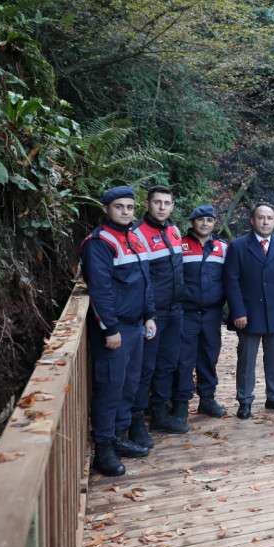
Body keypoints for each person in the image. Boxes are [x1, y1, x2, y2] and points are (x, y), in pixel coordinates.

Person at [80, 186, 156, 476]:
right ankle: (104, 449)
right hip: (116, 329)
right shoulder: (98, 243)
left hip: (136, 325)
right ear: (106, 209)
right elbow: (100, 290)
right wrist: (110, 328)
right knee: (110, 386)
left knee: (129, 384)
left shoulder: (134, 237)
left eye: (129, 207)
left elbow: (145, 281)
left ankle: (120, 436)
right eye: (119, 206)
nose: (125, 211)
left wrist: (149, 315)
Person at [224, 201, 274, 419]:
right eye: (261, 217)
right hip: (249, 314)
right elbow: (231, 281)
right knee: (247, 360)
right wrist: (238, 311)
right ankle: (245, 400)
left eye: (269, 218)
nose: (265, 222)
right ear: (252, 220)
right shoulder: (238, 246)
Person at [133, 185, 188, 439]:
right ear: (148, 204)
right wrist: (148, 314)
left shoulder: (174, 231)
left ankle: (160, 414)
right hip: (153, 315)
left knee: (167, 364)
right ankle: (136, 422)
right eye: (157, 202)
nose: (162, 207)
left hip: (175, 310)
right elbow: (141, 279)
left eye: (167, 203)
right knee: (146, 368)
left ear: (172, 206)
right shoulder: (138, 234)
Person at [175, 204, 228, 419]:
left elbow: (230, 280)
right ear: (192, 222)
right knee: (184, 358)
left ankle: (207, 399)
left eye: (209, 220)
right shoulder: (180, 245)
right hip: (186, 312)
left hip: (212, 313)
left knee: (209, 356)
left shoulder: (222, 248)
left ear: (214, 223)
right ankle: (181, 403)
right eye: (200, 219)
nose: (205, 224)